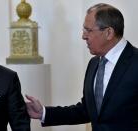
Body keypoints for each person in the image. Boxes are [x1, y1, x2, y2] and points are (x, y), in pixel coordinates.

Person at [26, 3, 138, 131]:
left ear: (109, 33)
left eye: (88, 30)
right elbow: (87, 110)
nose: (83, 36)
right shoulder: (94, 64)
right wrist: (43, 113)